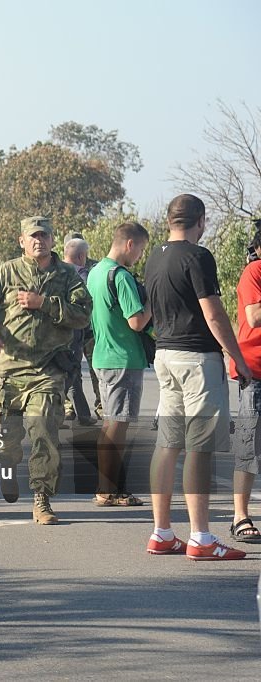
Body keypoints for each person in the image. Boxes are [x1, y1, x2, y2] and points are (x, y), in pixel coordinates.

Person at [0, 216, 92, 524]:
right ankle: (6, 463)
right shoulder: (4, 274)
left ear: (52, 239)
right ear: (22, 241)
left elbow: (84, 314)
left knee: (44, 433)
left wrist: (45, 303)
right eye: (32, 236)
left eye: (44, 235)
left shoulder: (68, 276)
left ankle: (42, 499)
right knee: (9, 438)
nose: (39, 241)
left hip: (48, 370)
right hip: (8, 370)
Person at [143, 194, 250, 560]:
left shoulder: (154, 256)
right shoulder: (197, 256)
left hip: (165, 355)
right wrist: (238, 359)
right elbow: (214, 315)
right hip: (198, 360)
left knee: (168, 444)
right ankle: (201, 538)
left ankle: (161, 532)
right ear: (200, 221)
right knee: (199, 447)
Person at [86, 222, 152, 507]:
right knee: (118, 425)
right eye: (140, 249)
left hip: (103, 355)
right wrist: (152, 301)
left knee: (110, 424)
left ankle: (108, 487)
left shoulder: (95, 272)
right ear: (129, 244)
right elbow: (136, 321)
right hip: (123, 358)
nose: (139, 256)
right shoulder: (121, 276)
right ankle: (109, 489)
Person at [229, 225, 261, 544]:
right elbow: (253, 316)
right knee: (250, 445)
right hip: (255, 369)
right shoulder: (254, 271)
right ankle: (241, 515)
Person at [63, 231, 103, 420]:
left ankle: (101, 404)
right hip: (76, 329)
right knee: (72, 369)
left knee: (95, 367)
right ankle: (69, 407)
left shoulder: (94, 267)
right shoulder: (62, 270)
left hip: (90, 329)